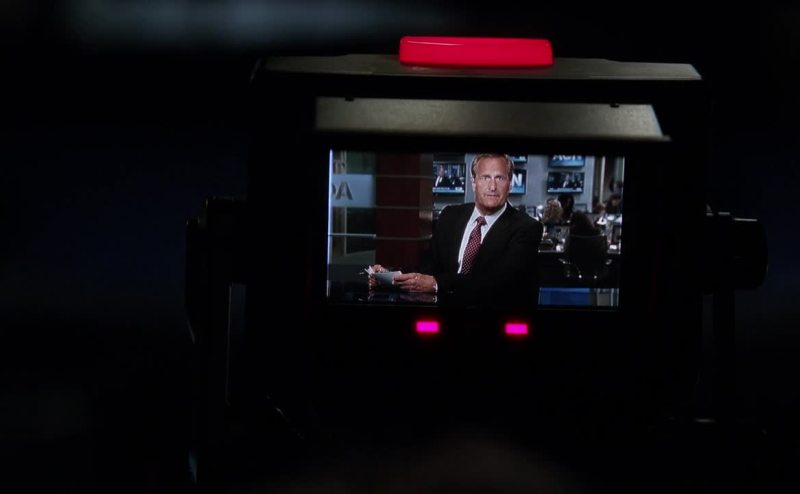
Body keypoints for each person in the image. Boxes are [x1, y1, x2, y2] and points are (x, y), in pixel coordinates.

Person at [371, 154, 543, 309]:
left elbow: (502, 281)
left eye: (500, 178)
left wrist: (437, 284)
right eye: (485, 177)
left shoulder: (527, 227)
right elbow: (430, 265)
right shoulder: (450, 216)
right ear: (474, 182)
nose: (492, 186)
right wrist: (393, 275)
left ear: (510, 184)